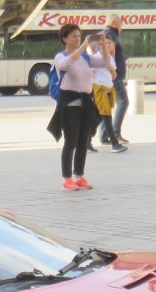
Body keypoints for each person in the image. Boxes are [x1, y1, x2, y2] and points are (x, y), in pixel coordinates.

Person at [46, 24, 113, 191]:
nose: (77, 38)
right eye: (74, 36)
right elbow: (65, 65)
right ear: (65, 39)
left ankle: (79, 175)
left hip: (85, 103)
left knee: (83, 141)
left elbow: (105, 62)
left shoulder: (85, 58)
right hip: (70, 105)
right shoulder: (60, 56)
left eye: (79, 35)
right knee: (71, 141)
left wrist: (103, 46)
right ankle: (66, 178)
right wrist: (83, 47)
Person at [90, 31, 126, 154]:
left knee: (98, 117)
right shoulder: (95, 58)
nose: (109, 46)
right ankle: (115, 143)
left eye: (110, 43)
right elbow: (91, 73)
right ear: (100, 45)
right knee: (106, 115)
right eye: (106, 44)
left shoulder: (110, 58)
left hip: (109, 89)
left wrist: (111, 69)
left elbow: (114, 76)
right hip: (99, 89)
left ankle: (85, 141)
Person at [103, 15, 129, 145]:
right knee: (123, 102)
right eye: (120, 23)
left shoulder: (106, 33)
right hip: (115, 77)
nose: (122, 26)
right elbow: (106, 48)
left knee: (106, 106)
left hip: (109, 77)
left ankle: (104, 135)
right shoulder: (109, 34)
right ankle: (115, 133)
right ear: (114, 23)